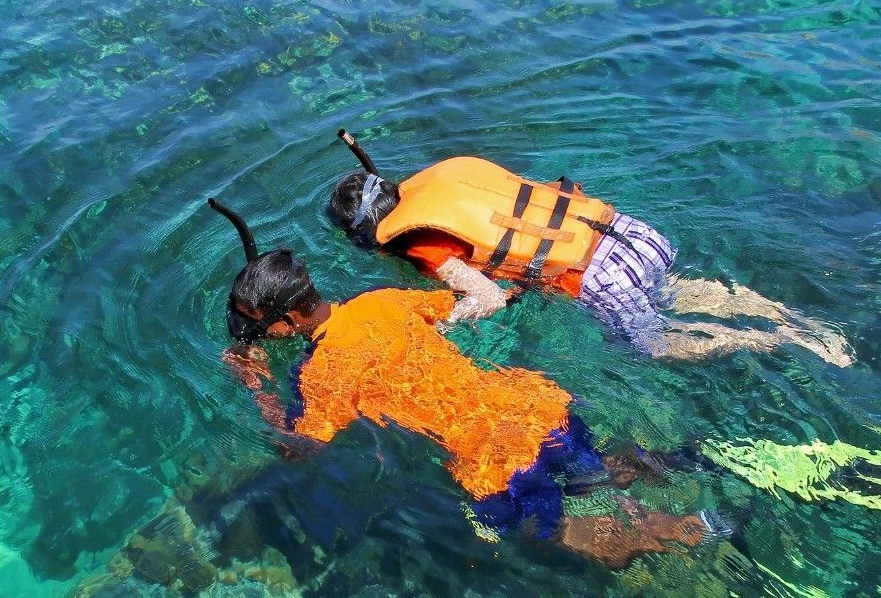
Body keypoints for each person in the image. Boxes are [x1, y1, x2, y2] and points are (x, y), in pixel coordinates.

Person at [209, 198, 731, 569]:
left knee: (552, 533)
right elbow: (456, 306)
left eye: (255, 322)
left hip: (490, 457)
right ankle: (678, 463)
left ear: (285, 321)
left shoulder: (323, 374)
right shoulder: (382, 301)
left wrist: (255, 386)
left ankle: (682, 529)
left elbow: (302, 448)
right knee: (584, 472)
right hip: (534, 404)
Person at [325, 130, 853, 365]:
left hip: (598, 274)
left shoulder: (421, 243)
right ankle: (797, 319)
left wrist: (437, 326)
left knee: (655, 349)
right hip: (629, 233)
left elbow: (485, 299)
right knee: (679, 294)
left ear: (364, 233)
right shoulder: (449, 177)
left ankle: (779, 340)